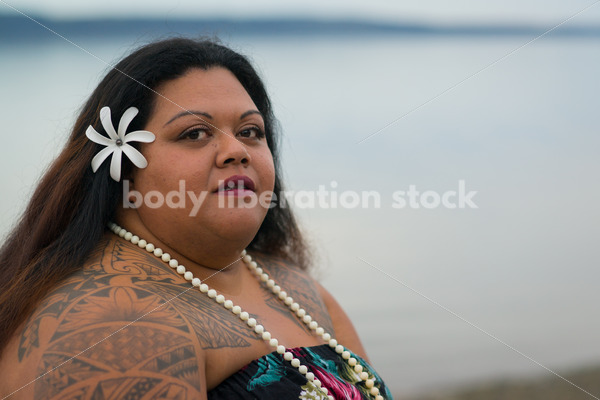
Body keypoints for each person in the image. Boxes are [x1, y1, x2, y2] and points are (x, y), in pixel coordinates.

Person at [0, 37, 393, 399]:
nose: (235, 150)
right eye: (194, 134)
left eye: (251, 131)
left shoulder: (296, 289)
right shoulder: (117, 324)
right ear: (121, 164)